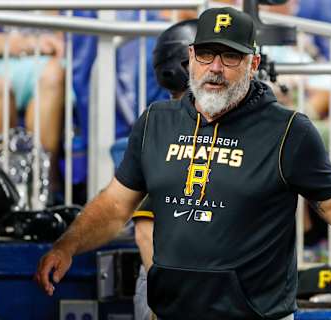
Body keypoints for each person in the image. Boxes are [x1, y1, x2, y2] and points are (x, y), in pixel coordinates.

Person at [36, 7, 331, 320]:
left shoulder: (288, 129)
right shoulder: (155, 122)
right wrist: (67, 245)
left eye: (230, 57)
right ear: (190, 57)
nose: (215, 68)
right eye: (207, 55)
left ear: (253, 64)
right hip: (172, 313)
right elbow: (114, 204)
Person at [132, 18, 198, 320]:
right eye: (205, 57)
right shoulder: (167, 128)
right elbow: (146, 231)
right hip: (169, 283)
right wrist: (166, 303)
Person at [0, 24, 65, 193]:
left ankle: (43, 187)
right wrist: (14, 43)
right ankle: (1, 192)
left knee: (53, 76)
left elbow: (59, 26)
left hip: (42, 59)